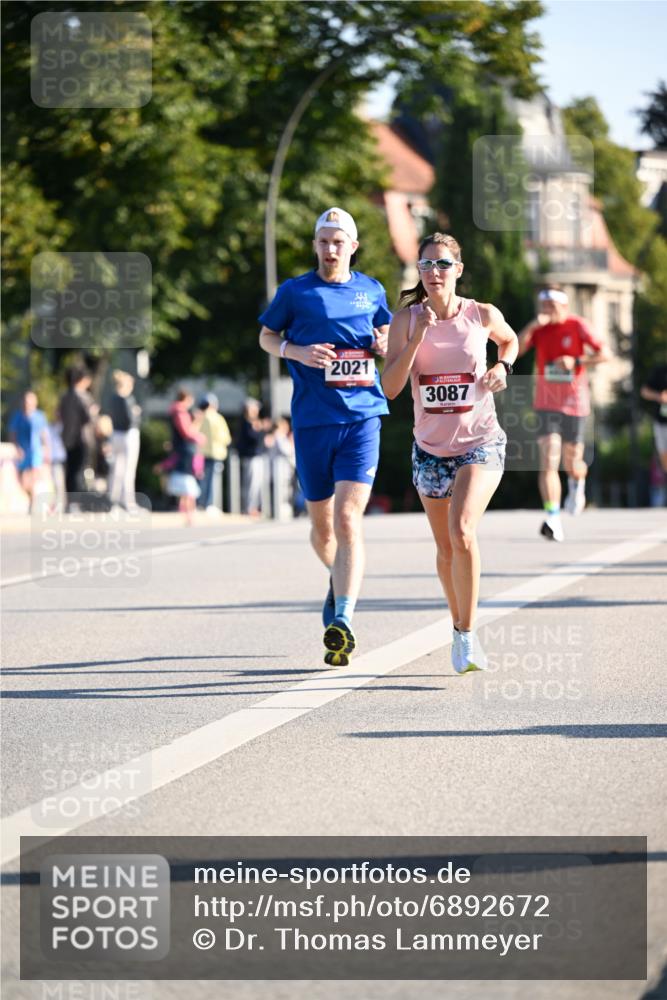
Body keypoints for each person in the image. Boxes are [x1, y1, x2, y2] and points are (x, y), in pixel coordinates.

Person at [259, 206, 391, 666]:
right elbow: (266, 337)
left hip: (362, 418)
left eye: (339, 242)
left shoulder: (371, 289)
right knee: (321, 529)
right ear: (315, 245)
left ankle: (345, 620)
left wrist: (384, 342)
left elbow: (385, 328)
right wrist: (295, 349)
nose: (331, 249)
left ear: (353, 247)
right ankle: (338, 581)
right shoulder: (295, 292)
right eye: (324, 241)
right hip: (313, 422)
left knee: (349, 519)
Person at [381, 232, 517, 674]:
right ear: (418, 272)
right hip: (430, 449)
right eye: (426, 266)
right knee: (444, 549)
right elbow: (391, 387)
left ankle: (466, 635)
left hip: (479, 441)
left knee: (462, 531)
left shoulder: (481, 314)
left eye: (442, 264)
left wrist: (502, 366)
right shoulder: (406, 320)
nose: (434, 273)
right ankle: (457, 625)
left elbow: (510, 341)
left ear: (458, 269)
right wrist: (417, 338)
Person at [517, 286, 610, 541]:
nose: (547, 311)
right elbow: (517, 348)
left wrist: (577, 361)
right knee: (548, 460)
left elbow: (605, 355)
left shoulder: (578, 325)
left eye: (552, 306)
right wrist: (533, 325)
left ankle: (577, 484)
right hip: (546, 403)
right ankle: (553, 517)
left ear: (564, 307)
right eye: (543, 306)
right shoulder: (539, 329)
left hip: (574, 403)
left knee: (573, 463)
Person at [58, 366, 96, 509]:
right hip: (82, 438)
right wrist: (94, 412)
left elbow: (59, 415)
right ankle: (76, 502)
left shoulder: (64, 396)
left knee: (70, 470)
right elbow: (87, 418)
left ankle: (69, 501)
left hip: (67, 437)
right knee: (79, 470)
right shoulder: (83, 397)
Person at [166, 389, 205, 525]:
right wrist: (198, 434)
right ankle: (189, 514)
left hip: (182, 451)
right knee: (188, 486)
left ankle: (187, 513)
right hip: (185, 452)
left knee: (186, 487)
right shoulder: (180, 412)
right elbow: (187, 432)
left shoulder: (176, 411)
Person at [8, 390, 50, 510]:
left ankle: (33, 502)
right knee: (23, 481)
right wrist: (16, 447)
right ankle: (31, 496)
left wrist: (47, 449)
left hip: (36, 451)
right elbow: (12, 434)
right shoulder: (18, 417)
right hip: (23, 451)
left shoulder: (40, 416)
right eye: (26, 401)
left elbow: (44, 434)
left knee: (33, 477)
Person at [109, 369, 141, 510]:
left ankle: (113, 501)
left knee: (116, 469)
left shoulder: (113, 398)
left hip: (115, 435)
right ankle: (128, 502)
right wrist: (136, 413)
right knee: (128, 470)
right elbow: (130, 419)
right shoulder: (128, 399)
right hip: (128, 435)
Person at [197, 393, 232, 512]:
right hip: (216, 453)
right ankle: (209, 504)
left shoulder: (199, 417)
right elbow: (226, 438)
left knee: (202, 480)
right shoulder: (218, 418)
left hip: (201, 453)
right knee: (212, 480)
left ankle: (200, 504)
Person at [236, 398, 270, 518]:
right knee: (251, 484)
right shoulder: (246, 423)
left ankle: (254, 507)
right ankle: (249, 508)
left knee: (257, 484)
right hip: (251, 457)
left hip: (258, 456)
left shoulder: (254, 423)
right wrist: (260, 429)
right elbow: (253, 438)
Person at [640, 362, 667, 476]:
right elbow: (644, 391)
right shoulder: (660, 371)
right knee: (664, 455)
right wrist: (659, 396)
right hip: (662, 422)